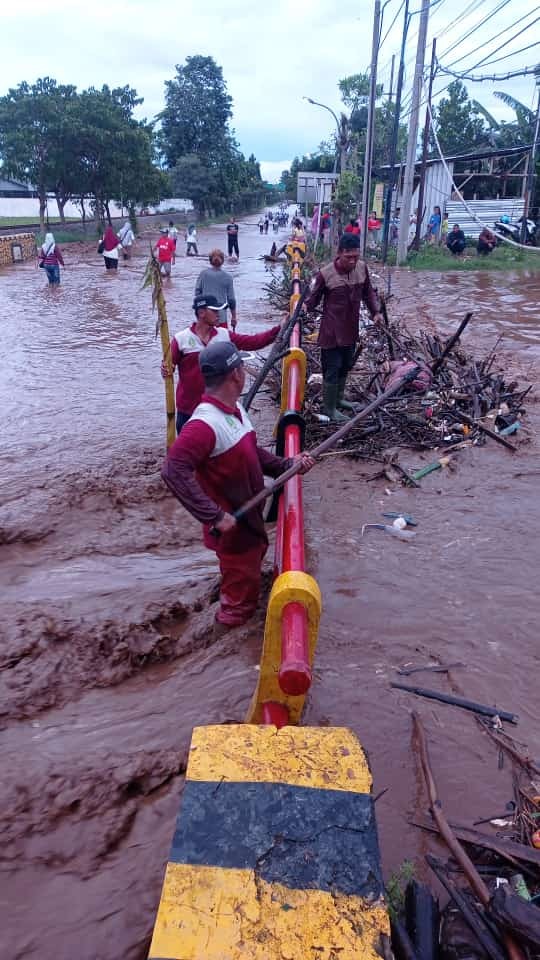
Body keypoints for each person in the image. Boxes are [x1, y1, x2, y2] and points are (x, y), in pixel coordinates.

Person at [161, 339, 315, 630]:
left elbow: (252, 452)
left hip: (250, 524)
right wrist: (213, 515)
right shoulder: (204, 425)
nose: (244, 371)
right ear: (236, 375)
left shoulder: (234, 411)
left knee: (245, 582)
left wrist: (287, 465)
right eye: (242, 366)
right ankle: (222, 644)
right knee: (239, 609)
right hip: (235, 533)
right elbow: (172, 469)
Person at [162, 293, 284, 434]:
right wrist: (165, 369)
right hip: (188, 410)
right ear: (201, 313)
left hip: (218, 408)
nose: (219, 314)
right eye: (214, 310)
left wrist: (279, 329)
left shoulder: (224, 335)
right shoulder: (181, 339)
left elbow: (253, 342)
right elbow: (168, 366)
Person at [305, 233, 382, 422]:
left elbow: (368, 293)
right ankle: (329, 407)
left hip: (350, 330)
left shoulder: (362, 269)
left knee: (346, 366)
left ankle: (339, 400)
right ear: (339, 253)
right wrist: (303, 307)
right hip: (331, 332)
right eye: (349, 257)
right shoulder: (325, 274)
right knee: (332, 369)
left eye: (356, 257)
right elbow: (313, 300)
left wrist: (376, 312)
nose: (353, 261)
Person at [195, 249, 237, 329]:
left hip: (205, 317)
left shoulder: (203, 274)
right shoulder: (227, 277)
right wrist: (234, 317)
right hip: (221, 318)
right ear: (222, 261)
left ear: (210, 260)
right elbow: (231, 300)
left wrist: (200, 311)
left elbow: (197, 294)